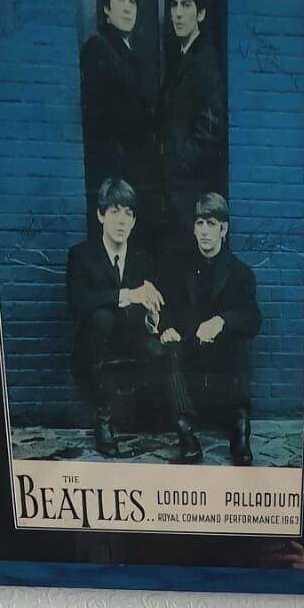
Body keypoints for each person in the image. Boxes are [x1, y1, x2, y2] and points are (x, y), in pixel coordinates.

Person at [67, 177, 180, 455]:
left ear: (134, 221)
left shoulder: (143, 259)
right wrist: (129, 294)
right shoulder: (81, 255)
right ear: (100, 215)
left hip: (133, 340)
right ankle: (103, 420)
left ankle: (169, 420)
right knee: (101, 317)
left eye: (128, 214)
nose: (121, 221)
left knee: (164, 346)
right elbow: (79, 302)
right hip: (95, 346)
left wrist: (155, 319)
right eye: (114, 212)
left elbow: (154, 310)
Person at [158, 192, 261, 465]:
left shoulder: (241, 273)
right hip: (190, 352)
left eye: (211, 224)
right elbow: (166, 306)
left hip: (222, 360)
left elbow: (253, 318)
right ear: (193, 228)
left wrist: (222, 321)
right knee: (169, 349)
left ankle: (240, 430)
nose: (204, 231)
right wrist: (166, 328)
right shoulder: (179, 268)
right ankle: (186, 433)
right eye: (200, 223)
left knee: (238, 342)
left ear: (223, 229)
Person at [79, 0, 157, 229]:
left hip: (132, 177)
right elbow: (103, 121)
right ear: (105, 7)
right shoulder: (99, 49)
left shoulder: (127, 52)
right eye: (120, 0)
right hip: (114, 178)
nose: (127, 9)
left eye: (132, 1)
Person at [158, 0, 226, 234]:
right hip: (177, 193)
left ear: (201, 14)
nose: (177, 13)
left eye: (186, 5)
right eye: (174, 5)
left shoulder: (205, 62)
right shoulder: (181, 58)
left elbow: (210, 129)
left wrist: (178, 164)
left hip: (191, 194)